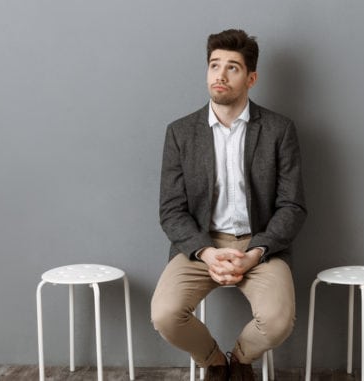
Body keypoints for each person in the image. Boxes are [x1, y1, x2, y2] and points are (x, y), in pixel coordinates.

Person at [151, 29, 307, 381]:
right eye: (214, 65)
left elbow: (292, 206)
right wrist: (206, 252)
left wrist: (254, 253)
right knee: (165, 314)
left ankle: (240, 358)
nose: (220, 75)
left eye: (232, 67)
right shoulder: (180, 132)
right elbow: (171, 210)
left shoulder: (279, 130)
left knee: (279, 321)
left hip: (260, 244)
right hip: (201, 244)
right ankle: (214, 362)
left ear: (251, 78)